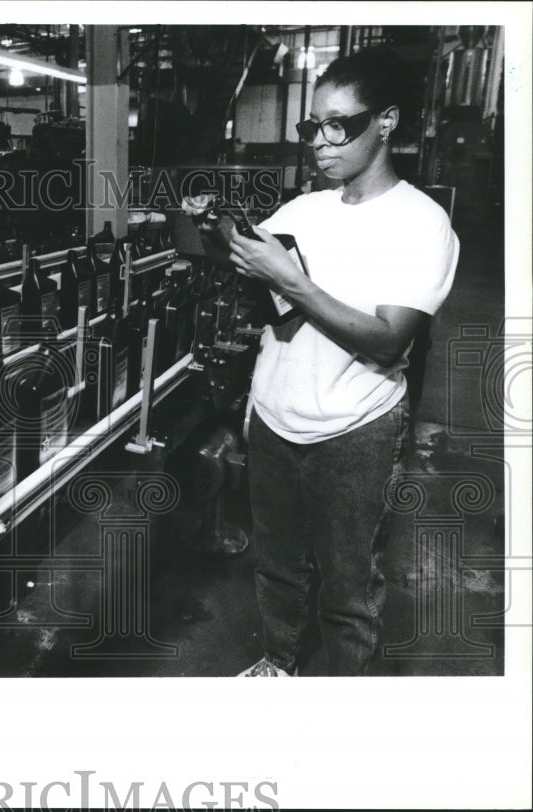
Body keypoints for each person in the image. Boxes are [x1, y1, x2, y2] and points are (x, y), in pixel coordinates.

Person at [185, 47, 459, 676]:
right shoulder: (303, 211)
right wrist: (221, 240)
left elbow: (389, 341)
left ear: (385, 122)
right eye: (312, 127)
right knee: (278, 565)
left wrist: (289, 276)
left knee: (348, 587)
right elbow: (266, 297)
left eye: (337, 125)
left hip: (355, 431)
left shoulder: (421, 223)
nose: (319, 142)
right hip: (278, 419)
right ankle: (279, 664)